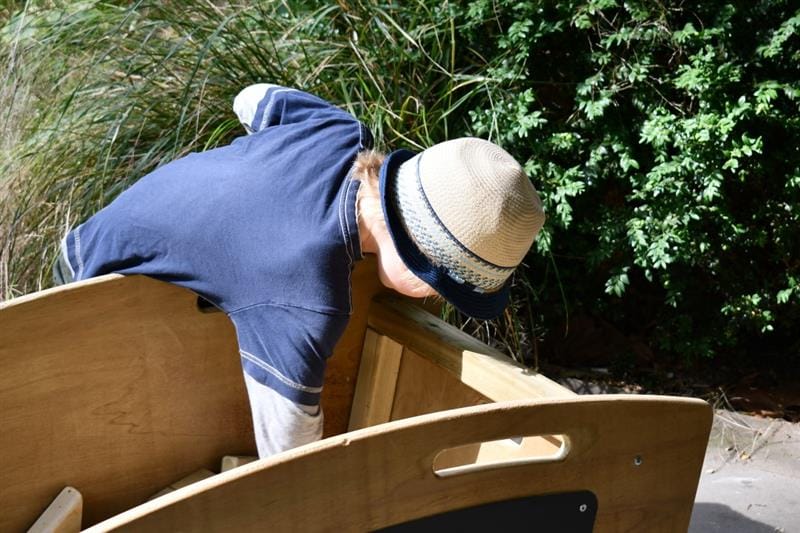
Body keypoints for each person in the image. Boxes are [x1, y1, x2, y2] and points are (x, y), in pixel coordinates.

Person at [53, 84, 545, 458]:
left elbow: (252, 99)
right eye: (443, 287)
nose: (435, 300)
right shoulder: (308, 295)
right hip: (93, 286)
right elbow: (287, 450)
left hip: (96, 233)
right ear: (416, 251)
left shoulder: (338, 131)